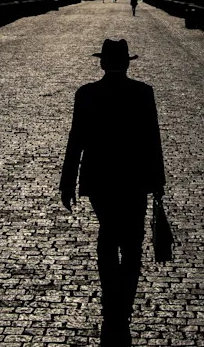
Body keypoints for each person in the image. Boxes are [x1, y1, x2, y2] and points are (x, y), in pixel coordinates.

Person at [60, 39, 166, 347]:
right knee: (132, 243)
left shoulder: (87, 95)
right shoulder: (143, 94)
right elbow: (152, 140)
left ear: (102, 63)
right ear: (128, 63)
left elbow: (75, 140)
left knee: (108, 235)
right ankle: (124, 305)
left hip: (100, 181)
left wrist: (67, 181)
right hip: (135, 179)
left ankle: (112, 300)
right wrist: (157, 181)